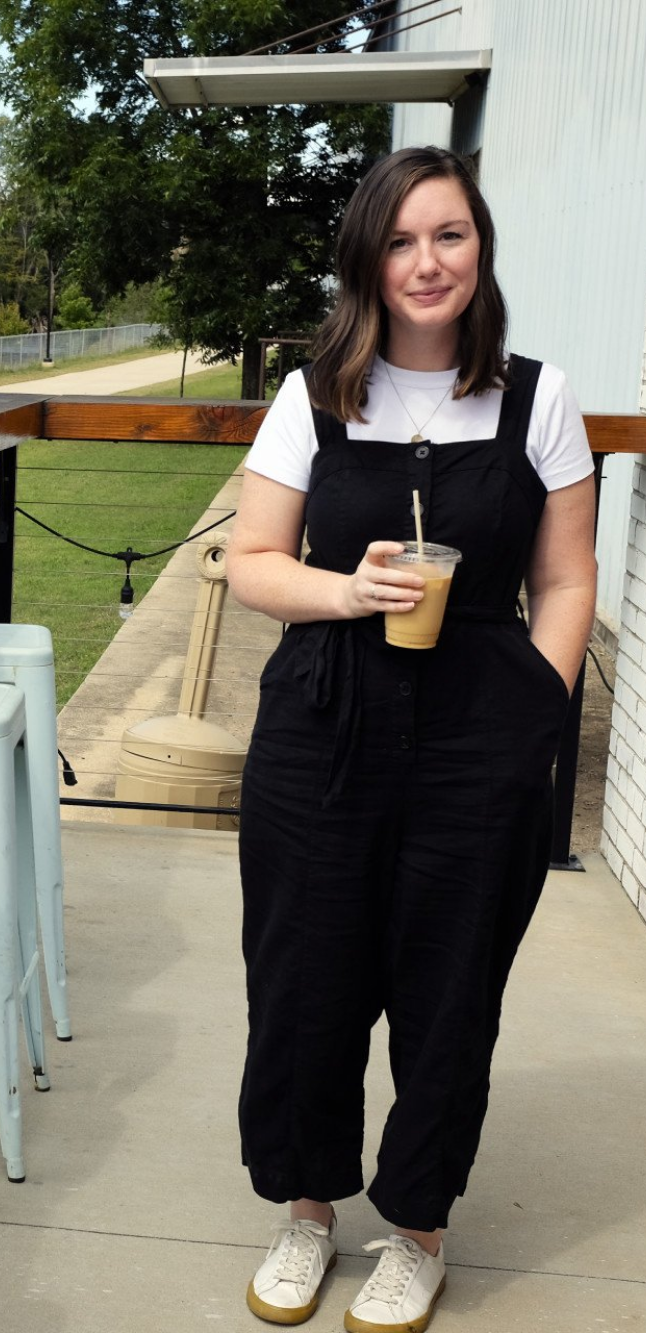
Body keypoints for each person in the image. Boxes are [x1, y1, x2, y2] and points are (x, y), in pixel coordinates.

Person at [225, 146, 597, 1332]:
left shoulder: (536, 398)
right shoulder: (314, 393)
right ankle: (303, 1211)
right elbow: (249, 562)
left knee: (448, 990)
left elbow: (568, 581)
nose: (424, 261)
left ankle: (417, 1227)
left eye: (447, 235)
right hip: (320, 726)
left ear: (477, 250)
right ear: (366, 262)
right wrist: (346, 590)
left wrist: (530, 718)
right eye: (398, 240)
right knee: (302, 977)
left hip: (475, 737)